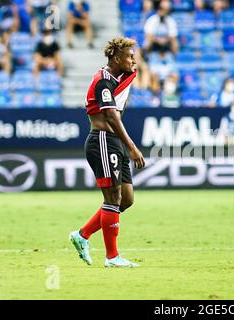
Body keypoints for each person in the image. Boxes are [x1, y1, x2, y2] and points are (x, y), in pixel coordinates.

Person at [69, 37, 145, 268]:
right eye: (130, 56)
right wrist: (132, 147)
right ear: (116, 57)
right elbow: (111, 115)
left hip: (113, 142)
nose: (133, 59)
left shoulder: (116, 78)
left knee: (126, 200)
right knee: (112, 198)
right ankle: (112, 257)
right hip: (102, 139)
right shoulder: (103, 81)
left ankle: (82, 235)